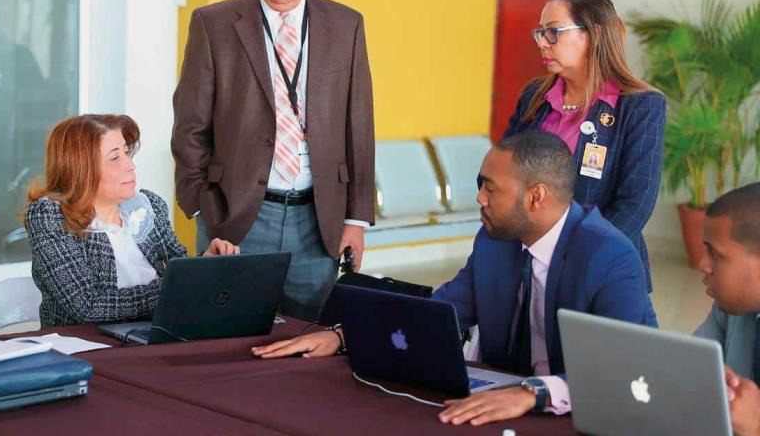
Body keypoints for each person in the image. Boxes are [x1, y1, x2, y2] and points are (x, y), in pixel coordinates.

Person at [252, 131, 656, 426]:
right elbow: (440, 312)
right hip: (497, 404)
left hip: (575, 414)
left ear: (536, 196)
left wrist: (534, 393)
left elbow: (627, 366)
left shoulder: (609, 256)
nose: (479, 198)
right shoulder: (495, 242)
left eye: (490, 189)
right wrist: (345, 336)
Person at [171, 0, 375, 321]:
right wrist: (200, 206)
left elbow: (359, 125)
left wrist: (355, 219)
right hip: (234, 214)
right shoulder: (213, 24)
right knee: (225, 331)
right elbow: (190, 125)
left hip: (319, 219)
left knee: (307, 336)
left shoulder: (346, 25)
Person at [503, 0, 666, 290]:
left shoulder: (640, 105)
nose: (543, 43)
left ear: (593, 34)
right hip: (525, 262)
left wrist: (576, 259)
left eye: (554, 32)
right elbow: (499, 171)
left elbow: (635, 203)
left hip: (600, 269)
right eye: (540, 33)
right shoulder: (534, 96)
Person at [25, 114, 237, 327]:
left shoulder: (148, 205)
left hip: (158, 331)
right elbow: (85, 306)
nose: (130, 165)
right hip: (87, 341)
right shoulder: (50, 214)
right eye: (115, 158)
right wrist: (174, 289)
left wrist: (204, 264)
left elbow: (178, 266)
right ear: (80, 167)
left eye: (127, 153)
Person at [694, 183, 760, 436]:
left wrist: (754, 428)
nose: (703, 264)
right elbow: (689, 364)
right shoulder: (730, 308)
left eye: (716, 254)